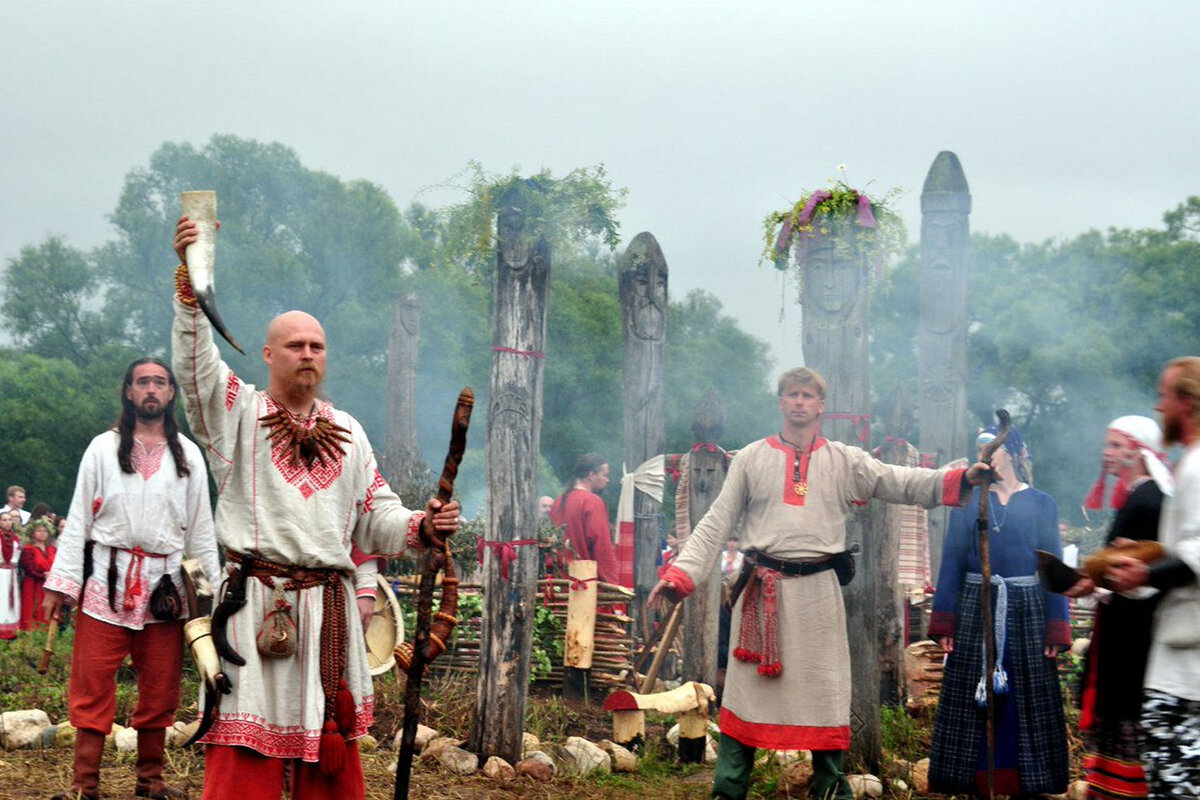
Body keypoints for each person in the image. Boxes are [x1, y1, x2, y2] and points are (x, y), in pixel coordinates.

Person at [172, 216, 460, 800]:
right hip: (252, 608)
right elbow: (196, 371)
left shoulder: (349, 432)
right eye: (296, 345)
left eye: (317, 346)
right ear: (268, 354)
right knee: (241, 757)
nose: (307, 354)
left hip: (329, 615)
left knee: (329, 760)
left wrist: (421, 526)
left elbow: (376, 515)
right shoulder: (236, 415)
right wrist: (191, 289)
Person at [648, 367, 991, 800]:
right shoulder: (752, 457)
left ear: (820, 406)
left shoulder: (844, 460)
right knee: (746, 695)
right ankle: (729, 789)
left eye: (808, 395)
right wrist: (679, 575)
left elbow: (897, 480)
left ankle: (831, 787)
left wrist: (961, 479)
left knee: (825, 692)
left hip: (818, 597)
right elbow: (716, 522)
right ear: (780, 401)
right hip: (760, 595)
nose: (799, 402)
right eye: (792, 394)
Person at [42, 358, 221, 800]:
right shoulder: (103, 448)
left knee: (160, 688)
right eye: (143, 382)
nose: (151, 389)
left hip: (165, 589)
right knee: (92, 683)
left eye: (160, 382)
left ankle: (150, 781)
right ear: (128, 391)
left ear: (172, 393)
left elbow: (201, 530)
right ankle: (84, 785)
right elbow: (80, 515)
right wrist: (61, 583)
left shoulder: (189, 455)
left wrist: (211, 599)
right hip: (106, 582)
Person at [928, 424, 1070, 797]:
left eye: (991, 447)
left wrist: (1057, 626)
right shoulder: (970, 501)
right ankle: (974, 781)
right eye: (979, 448)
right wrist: (945, 619)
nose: (984, 454)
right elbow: (953, 562)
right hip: (978, 606)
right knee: (977, 695)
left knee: (1023, 698)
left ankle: (1027, 781)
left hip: (1027, 611)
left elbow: (1052, 565)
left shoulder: (1042, 503)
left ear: (1015, 452)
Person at [1108, 357, 1200, 799]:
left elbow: (1198, 553)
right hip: (1175, 655)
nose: (1158, 406)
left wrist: (1145, 569)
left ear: (1186, 402)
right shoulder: (1189, 465)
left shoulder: (1198, 466)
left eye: (1164, 396)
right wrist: (1142, 557)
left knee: (1176, 784)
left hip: (1189, 664)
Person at [1066, 416, 1171, 800]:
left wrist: (1102, 578)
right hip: (1121, 631)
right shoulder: (1140, 497)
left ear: (1137, 451)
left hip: (1133, 636)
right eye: (1107, 445)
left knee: (1127, 720)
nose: (1106, 454)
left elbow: (1151, 571)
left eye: (1115, 446)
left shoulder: (1150, 499)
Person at [548, 453, 619, 584]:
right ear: (592, 475)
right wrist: (612, 582)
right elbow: (601, 547)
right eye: (605, 475)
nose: (607, 480)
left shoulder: (558, 502)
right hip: (584, 585)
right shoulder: (592, 502)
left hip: (558, 582)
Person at [18, 516, 56, 631]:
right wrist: (43, 575)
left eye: (44, 531)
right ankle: (31, 634)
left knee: (48, 609)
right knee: (33, 608)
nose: (42, 533)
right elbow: (29, 568)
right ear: (32, 533)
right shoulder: (28, 549)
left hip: (49, 585)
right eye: (39, 531)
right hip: (33, 585)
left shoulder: (52, 549)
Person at [0, 510, 20, 640]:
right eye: (4, 520)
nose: (8, 523)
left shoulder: (16, 538)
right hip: (1, 573)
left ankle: (11, 634)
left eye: (9, 520)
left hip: (12, 574)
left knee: (11, 602)